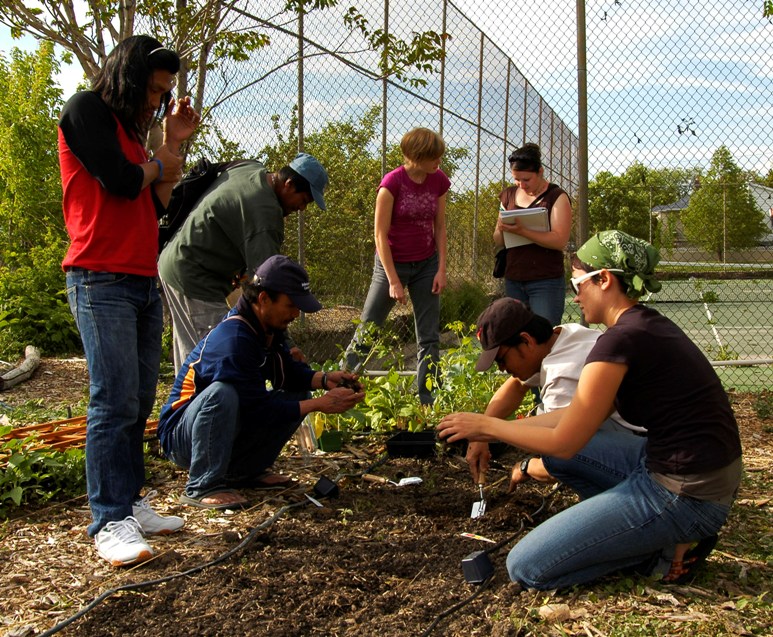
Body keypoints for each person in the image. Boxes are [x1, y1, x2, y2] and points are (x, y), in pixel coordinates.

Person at [439, 230, 742, 589]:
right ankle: (638, 530)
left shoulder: (617, 341)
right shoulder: (641, 325)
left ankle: (659, 551)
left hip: (684, 493)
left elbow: (565, 441)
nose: (575, 295)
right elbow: (573, 419)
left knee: (526, 565)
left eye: (577, 283)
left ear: (604, 279)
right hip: (691, 472)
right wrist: (488, 422)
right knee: (560, 457)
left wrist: (488, 429)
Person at [59, 35, 200, 566]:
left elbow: (155, 202)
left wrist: (172, 145)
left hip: (141, 277)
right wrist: (155, 165)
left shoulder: (132, 133)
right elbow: (121, 184)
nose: (157, 101)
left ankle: (131, 502)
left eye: (164, 93)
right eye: (155, 89)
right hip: (100, 277)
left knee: (138, 398)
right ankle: (108, 520)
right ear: (130, 74)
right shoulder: (84, 111)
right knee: (112, 398)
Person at [157, 255, 365, 509]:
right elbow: (256, 410)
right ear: (264, 299)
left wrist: (323, 380)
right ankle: (202, 485)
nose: (295, 313)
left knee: (297, 390)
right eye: (290, 305)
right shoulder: (233, 340)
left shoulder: (266, 328)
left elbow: (285, 373)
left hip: (225, 427)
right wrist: (320, 404)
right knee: (223, 394)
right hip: (183, 437)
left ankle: (244, 472)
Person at [158, 153, 329, 372]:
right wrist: (285, 346)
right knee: (212, 361)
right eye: (304, 200)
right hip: (194, 277)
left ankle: (189, 402)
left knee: (197, 356)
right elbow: (270, 287)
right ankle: (195, 404)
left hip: (178, 257)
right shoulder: (265, 214)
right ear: (288, 184)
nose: (302, 209)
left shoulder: (251, 168)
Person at [467, 298, 645, 491]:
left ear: (526, 340)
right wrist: (480, 436)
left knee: (551, 447)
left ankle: (623, 500)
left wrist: (526, 467)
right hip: (652, 441)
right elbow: (517, 384)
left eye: (501, 360)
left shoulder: (561, 374)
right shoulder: (564, 335)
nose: (502, 369)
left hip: (647, 460)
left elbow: (561, 452)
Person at [343, 128, 449, 405]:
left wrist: (441, 269)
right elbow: (380, 235)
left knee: (429, 335)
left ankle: (428, 399)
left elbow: (440, 227)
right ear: (416, 156)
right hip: (392, 264)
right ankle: (341, 387)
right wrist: (392, 280)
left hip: (427, 263)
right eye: (433, 157)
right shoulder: (391, 184)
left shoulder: (439, 181)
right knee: (369, 327)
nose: (438, 162)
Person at [494, 143, 572, 326]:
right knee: (518, 334)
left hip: (545, 280)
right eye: (516, 179)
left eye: (526, 180)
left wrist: (524, 231)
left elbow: (559, 240)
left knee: (543, 334)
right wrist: (500, 228)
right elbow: (498, 239)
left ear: (540, 172)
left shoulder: (557, 197)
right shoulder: (508, 196)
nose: (521, 185)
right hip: (514, 277)